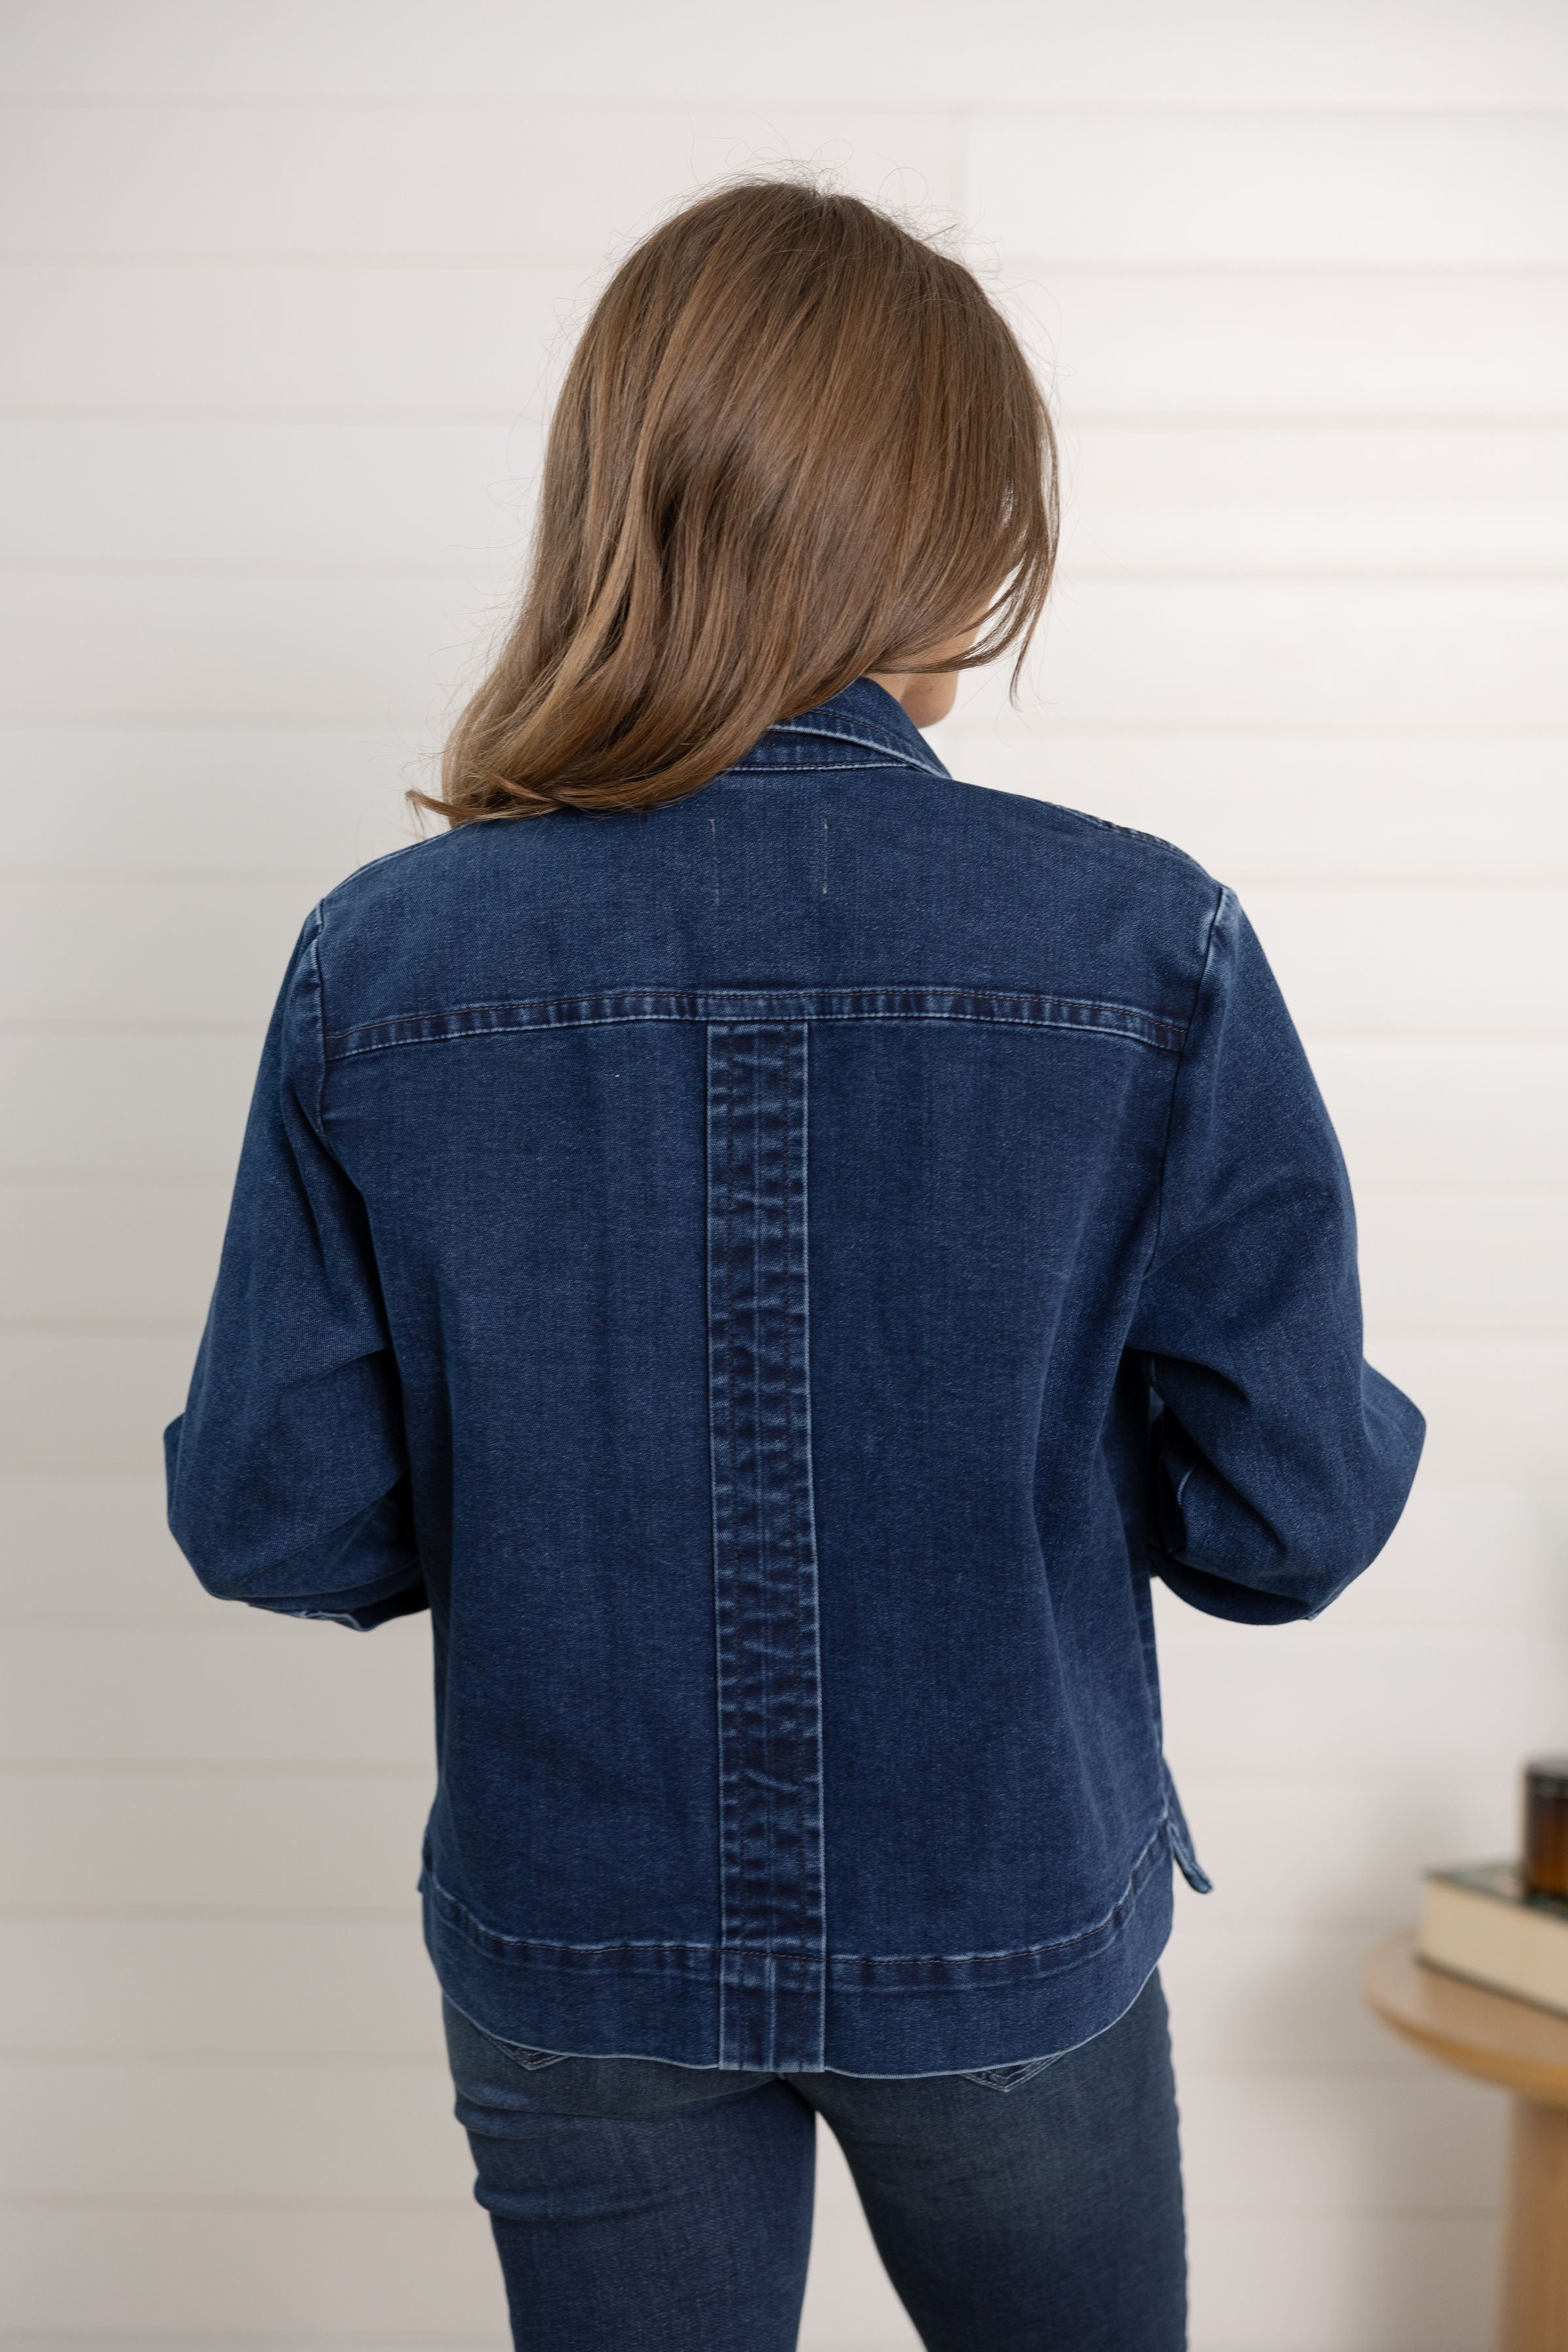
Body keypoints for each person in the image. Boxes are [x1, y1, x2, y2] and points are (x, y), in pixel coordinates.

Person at [164, 180, 1424, 2351]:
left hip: (576, 1929)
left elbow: (276, 1512)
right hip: (1004, 1912)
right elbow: (1289, 1515)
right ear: (939, 531)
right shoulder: (1147, 945)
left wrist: (556, 1484)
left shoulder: (383, 961)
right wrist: (1021, 1452)